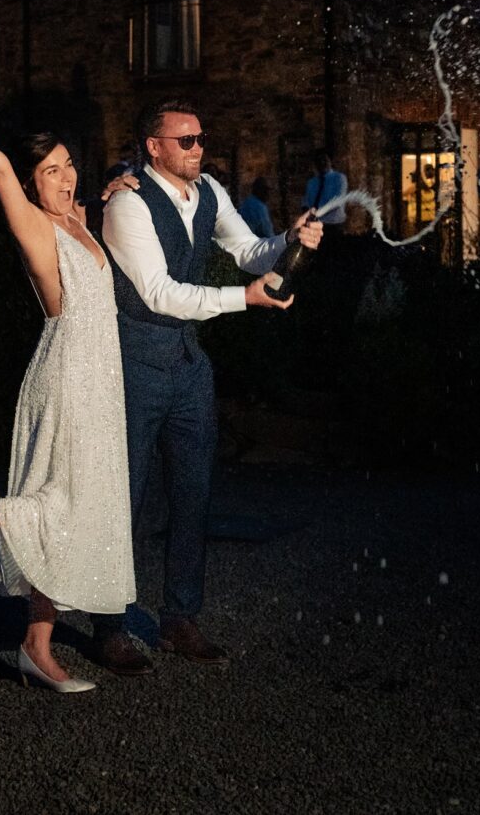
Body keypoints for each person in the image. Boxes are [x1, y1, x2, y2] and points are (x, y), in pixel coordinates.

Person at [0, 55, 136, 695]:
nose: (64, 178)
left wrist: (110, 186)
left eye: (68, 167)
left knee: (84, 509)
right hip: (67, 377)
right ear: (33, 185)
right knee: (60, 508)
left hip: (101, 382)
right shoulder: (36, 227)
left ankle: (36, 647)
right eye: (50, 172)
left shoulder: (78, 220)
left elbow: (96, 198)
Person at [90, 99, 323, 675]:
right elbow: (159, 294)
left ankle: (179, 619)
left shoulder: (211, 191)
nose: (199, 148)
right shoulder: (127, 203)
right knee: (126, 499)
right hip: (134, 359)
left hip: (188, 361)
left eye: (201, 137)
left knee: (194, 491)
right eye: (187, 140)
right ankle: (109, 626)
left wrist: (289, 240)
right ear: (154, 148)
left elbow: (250, 252)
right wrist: (244, 298)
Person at [302, 149, 348, 231]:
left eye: (324, 159)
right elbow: (306, 202)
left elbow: (336, 202)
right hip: (315, 225)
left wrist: (316, 213)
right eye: (318, 161)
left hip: (334, 225)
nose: (322, 163)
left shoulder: (339, 178)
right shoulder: (312, 182)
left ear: (330, 161)